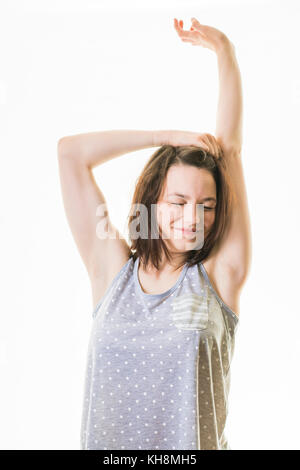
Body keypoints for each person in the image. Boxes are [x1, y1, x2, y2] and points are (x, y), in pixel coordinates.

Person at [57, 17, 251, 450]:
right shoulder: (113, 274)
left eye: (207, 205)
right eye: (178, 202)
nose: (192, 217)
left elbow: (230, 149)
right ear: (152, 202)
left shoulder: (220, 277)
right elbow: (70, 153)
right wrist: (163, 138)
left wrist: (225, 52)